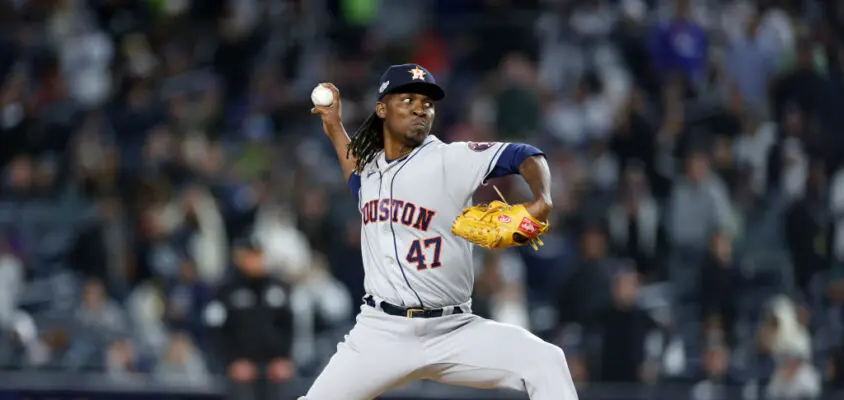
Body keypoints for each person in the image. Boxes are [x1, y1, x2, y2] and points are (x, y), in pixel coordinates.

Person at [303, 64, 577, 399]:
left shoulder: (450, 159)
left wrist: (543, 200)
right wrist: (333, 127)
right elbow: (355, 176)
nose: (421, 108)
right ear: (382, 109)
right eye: (407, 99)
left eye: (427, 102)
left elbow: (524, 154)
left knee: (546, 361)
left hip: (454, 329)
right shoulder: (371, 170)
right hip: (381, 332)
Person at [203, 231, 295, 400]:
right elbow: (215, 331)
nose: (255, 260)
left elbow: (289, 325)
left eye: (258, 255)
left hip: (274, 366)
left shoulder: (279, 288)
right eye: (250, 255)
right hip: (239, 367)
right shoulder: (225, 291)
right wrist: (230, 362)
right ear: (239, 257)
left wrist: (285, 358)